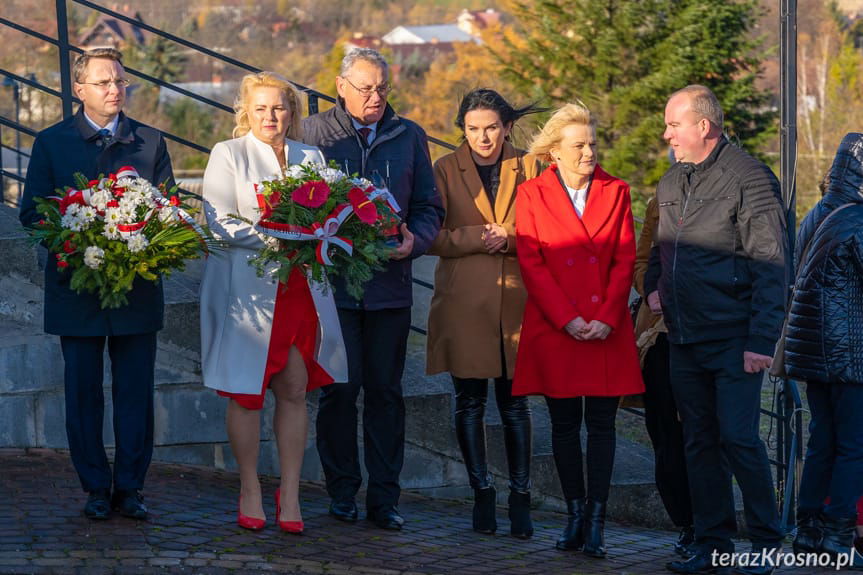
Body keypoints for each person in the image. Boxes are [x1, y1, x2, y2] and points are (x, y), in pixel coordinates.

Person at [18, 47, 175, 521]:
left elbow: (170, 209)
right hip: (77, 289)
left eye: (121, 82)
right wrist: (79, 233)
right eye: (104, 82)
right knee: (82, 392)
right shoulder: (52, 142)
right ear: (79, 89)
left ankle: (130, 487)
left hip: (136, 290)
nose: (114, 90)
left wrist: (142, 241)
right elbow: (31, 214)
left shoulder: (149, 141)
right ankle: (94, 488)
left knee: (135, 392)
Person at [643, 85, 786, 575]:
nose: (667, 134)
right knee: (698, 441)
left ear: (703, 126)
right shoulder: (669, 183)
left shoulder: (751, 180)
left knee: (738, 439)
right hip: (684, 338)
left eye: (673, 124)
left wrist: (761, 341)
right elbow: (659, 252)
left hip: (734, 338)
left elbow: (771, 264)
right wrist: (653, 287)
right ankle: (712, 542)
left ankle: (767, 541)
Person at [302, 48, 443, 530]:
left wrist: (414, 242)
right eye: (365, 88)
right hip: (333, 289)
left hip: (390, 289)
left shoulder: (410, 135)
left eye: (382, 88)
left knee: (386, 393)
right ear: (340, 86)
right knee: (340, 392)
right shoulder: (312, 134)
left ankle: (385, 499)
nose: (375, 97)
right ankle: (342, 491)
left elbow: (429, 207)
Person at [200, 71, 346, 534]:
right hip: (251, 292)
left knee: (295, 389)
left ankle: (291, 492)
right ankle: (249, 487)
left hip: (302, 288)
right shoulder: (229, 153)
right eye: (261, 108)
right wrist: (275, 238)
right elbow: (218, 220)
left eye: (279, 107)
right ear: (246, 111)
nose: (271, 116)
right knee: (247, 393)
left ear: (292, 112)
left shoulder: (311, 155)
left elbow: (330, 214)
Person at [514, 102, 644, 558]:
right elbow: (532, 262)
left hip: (605, 327)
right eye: (580, 145)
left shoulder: (617, 190)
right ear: (555, 153)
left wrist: (606, 317)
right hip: (557, 326)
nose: (590, 152)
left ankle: (597, 523)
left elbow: (625, 257)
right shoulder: (531, 195)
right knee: (565, 426)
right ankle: (574, 517)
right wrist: (568, 318)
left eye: (592, 143)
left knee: (603, 425)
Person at [426, 89, 542, 538]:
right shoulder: (443, 169)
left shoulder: (531, 166)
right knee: (469, 402)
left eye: (491, 127)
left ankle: (520, 497)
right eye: (473, 129)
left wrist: (509, 236)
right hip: (462, 304)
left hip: (518, 305)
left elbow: (548, 227)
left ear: (507, 127)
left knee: (516, 405)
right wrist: (479, 237)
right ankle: (482, 493)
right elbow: (430, 236)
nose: (483, 137)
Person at [783, 133, 863, 568]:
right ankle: (837, 535)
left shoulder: (817, 213)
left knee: (822, 440)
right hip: (850, 351)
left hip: (812, 351)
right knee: (853, 445)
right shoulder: (857, 217)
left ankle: (807, 529)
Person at [633, 196, 694, 556]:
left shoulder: (735, 190)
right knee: (663, 434)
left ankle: (708, 524)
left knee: (701, 434)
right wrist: (649, 289)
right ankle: (684, 523)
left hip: (703, 333)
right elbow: (642, 260)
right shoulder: (660, 199)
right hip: (658, 335)